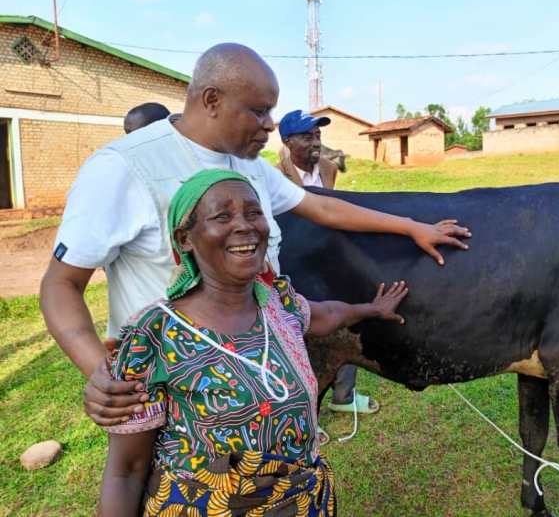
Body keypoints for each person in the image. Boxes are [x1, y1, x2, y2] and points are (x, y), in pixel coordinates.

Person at [40, 43, 469, 425]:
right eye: (260, 111)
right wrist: (101, 371)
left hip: (263, 378)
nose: (270, 126)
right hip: (173, 393)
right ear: (212, 100)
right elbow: (61, 283)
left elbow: (319, 205)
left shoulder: (247, 164)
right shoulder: (126, 167)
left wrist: (410, 227)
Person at [98, 169, 408, 516]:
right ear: (185, 238)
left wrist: (371, 309)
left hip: (301, 503)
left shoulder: (277, 302)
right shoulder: (153, 334)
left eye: (253, 212)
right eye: (222, 216)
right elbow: (126, 470)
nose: (244, 225)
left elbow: (326, 314)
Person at [277, 109, 379, 441]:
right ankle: (307, 417)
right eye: (307, 137)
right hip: (295, 265)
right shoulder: (274, 177)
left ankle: (344, 396)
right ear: (287, 142)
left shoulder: (328, 169)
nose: (316, 143)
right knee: (302, 337)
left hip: (329, 259)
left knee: (344, 323)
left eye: (318, 136)